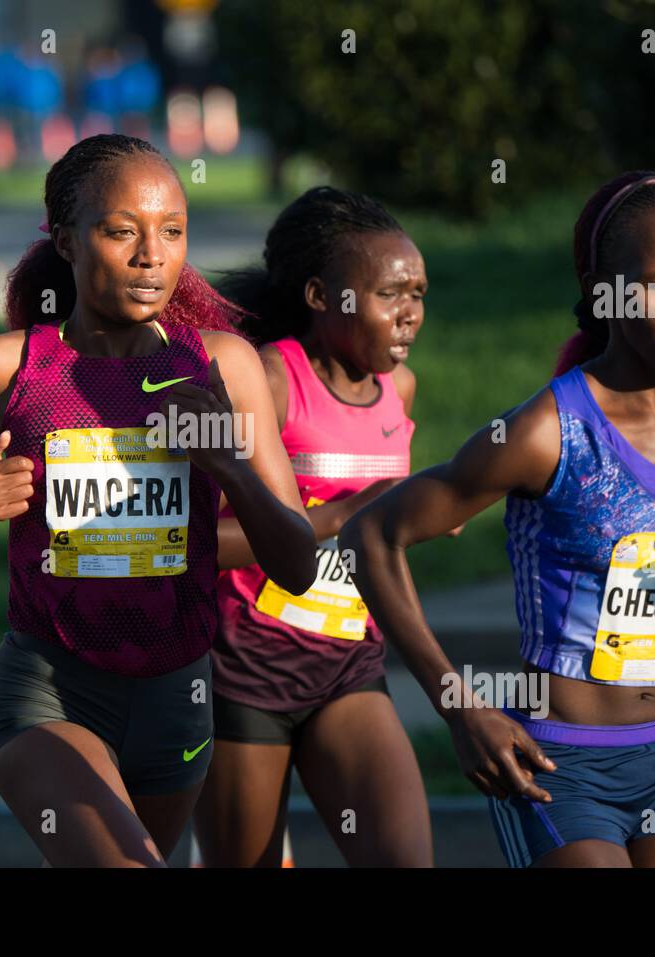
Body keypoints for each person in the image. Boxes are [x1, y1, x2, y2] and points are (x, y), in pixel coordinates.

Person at [342, 171, 655, 867]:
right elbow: (370, 534)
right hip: (559, 767)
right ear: (607, 296)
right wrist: (460, 707)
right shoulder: (547, 432)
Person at [0, 133, 316, 867]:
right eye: (122, 232)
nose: (152, 255)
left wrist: (230, 469)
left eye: (172, 232)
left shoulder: (224, 367)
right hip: (48, 692)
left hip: (179, 696)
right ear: (66, 239)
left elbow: (298, 564)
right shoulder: (1, 367)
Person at [192, 187, 432, 867]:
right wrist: (337, 516)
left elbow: (382, 541)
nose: (410, 313)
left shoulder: (399, 389)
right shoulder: (267, 378)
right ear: (323, 297)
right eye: (390, 294)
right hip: (243, 674)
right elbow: (192, 542)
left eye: (418, 292)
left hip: (348, 666)